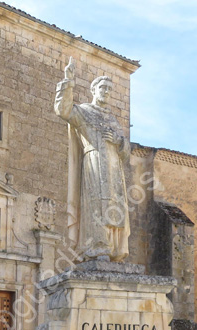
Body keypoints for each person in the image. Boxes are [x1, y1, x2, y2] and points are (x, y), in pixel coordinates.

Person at [54, 57, 130, 262]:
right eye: (103, 87)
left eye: (109, 89)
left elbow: (126, 153)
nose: (106, 91)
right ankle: (96, 247)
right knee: (95, 205)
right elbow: (64, 110)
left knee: (114, 209)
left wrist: (120, 141)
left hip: (115, 171)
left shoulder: (113, 120)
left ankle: (113, 249)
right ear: (93, 90)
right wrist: (68, 81)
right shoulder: (84, 112)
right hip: (93, 163)